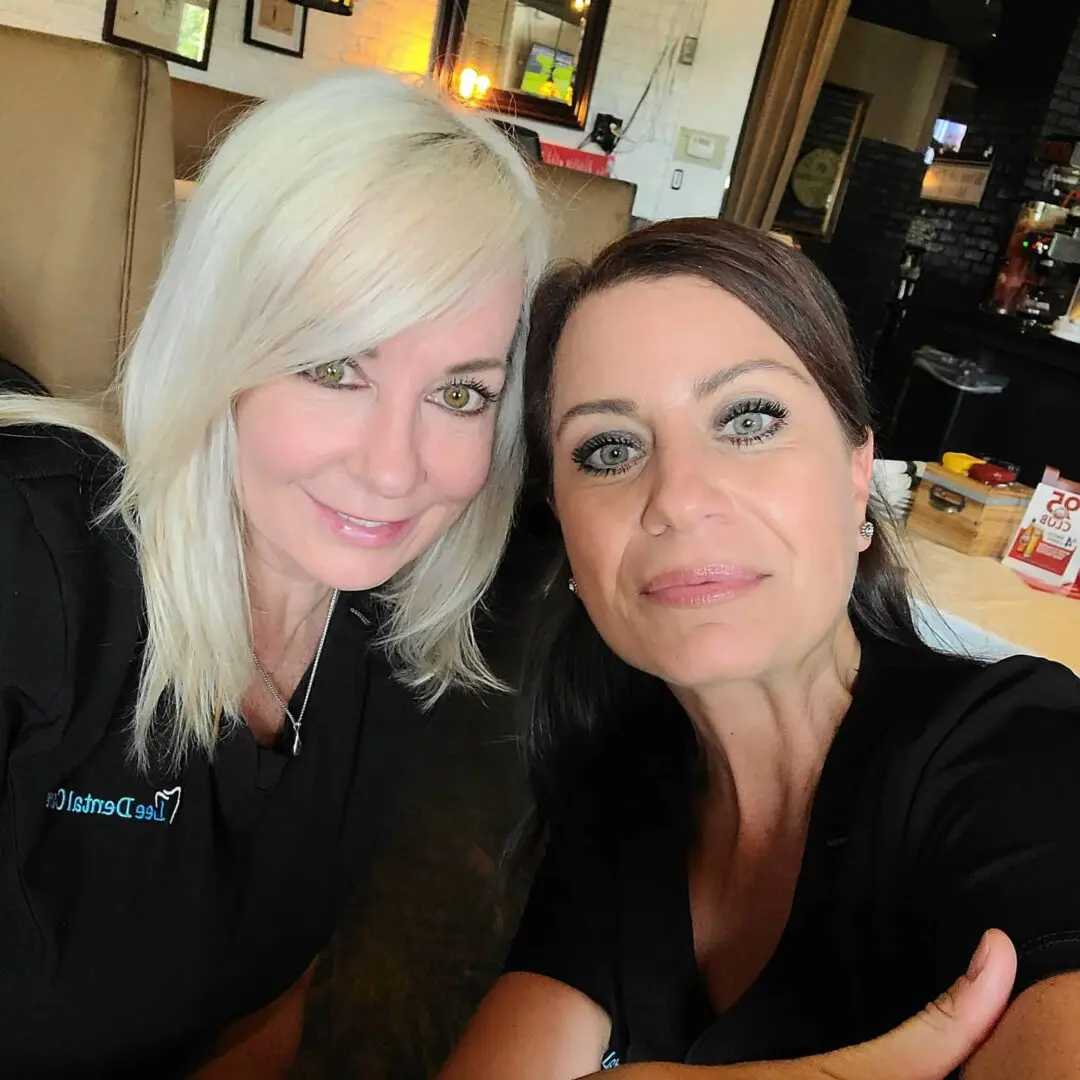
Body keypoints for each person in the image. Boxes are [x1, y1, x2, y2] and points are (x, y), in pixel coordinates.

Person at [0, 69, 546, 1077]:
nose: (394, 468)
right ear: (220, 337)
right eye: (336, 367)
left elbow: (260, 995)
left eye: (462, 395)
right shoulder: (29, 564)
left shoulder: (383, 640)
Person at [441, 219, 1080, 1079]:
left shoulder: (1016, 752)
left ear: (859, 473)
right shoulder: (624, 790)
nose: (679, 496)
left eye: (747, 418)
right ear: (570, 548)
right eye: (609, 448)